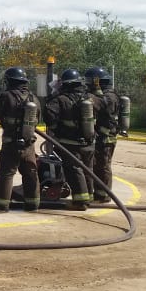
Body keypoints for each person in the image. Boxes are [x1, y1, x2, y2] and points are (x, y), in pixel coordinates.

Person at [0, 67, 41, 212]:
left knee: (6, 173)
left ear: (9, 81)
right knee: (30, 173)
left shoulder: (6, 96)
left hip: (11, 143)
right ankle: (32, 205)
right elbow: (38, 119)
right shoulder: (33, 98)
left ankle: (0, 205)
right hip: (29, 145)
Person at [43, 68, 98, 210]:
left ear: (66, 84)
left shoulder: (61, 100)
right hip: (89, 142)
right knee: (88, 170)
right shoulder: (90, 98)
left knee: (74, 171)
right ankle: (88, 198)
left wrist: (56, 128)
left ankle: (80, 202)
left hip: (70, 144)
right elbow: (104, 109)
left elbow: (49, 116)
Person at [92, 69, 122, 203]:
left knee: (103, 165)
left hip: (106, 137)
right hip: (104, 136)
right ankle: (99, 193)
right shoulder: (109, 95)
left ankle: (104, 195)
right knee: (99, 165)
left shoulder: (109, 97)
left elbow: (97, 104)